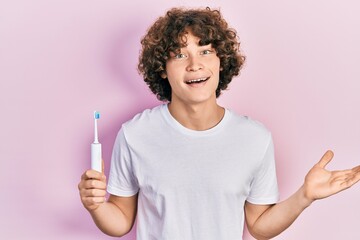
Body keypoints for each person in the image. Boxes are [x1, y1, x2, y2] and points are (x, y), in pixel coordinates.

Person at [78, 7, 360, 239]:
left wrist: (304, 197)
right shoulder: (135, 135)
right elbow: (121, 221)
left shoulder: (254, 138)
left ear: (221, 62)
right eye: (178, 55)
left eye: (205, 51)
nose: (194, 64)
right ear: (162, 70)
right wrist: (95, 207)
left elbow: (259, 226)